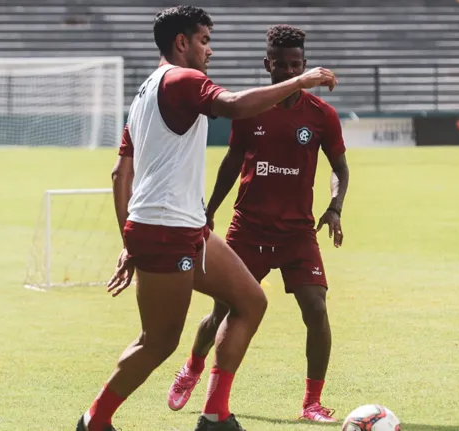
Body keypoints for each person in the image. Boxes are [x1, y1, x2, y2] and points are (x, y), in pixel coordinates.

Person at [76, 6, 338, 431]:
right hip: (166, 228)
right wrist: (300, 80)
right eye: (203, 41)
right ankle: (95, 420)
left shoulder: (145, 90)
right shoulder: (183, 79)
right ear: (181, 42)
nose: (209, 51)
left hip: (181, 225)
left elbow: (119, 172)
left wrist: (129, 238)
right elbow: (233, 105)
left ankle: (216, 415)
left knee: (251, 301)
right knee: (158, 341)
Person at [167, 24, 350, 423]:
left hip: (298, 232)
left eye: (296, 65)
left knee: (316, 310)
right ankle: (191, 370)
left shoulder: (322, 115)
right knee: (223, 311)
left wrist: (335, 206)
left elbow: (339, 167)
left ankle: (311, 403)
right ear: (267, 65)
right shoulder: (250, 110)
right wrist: (210, 208)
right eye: (280, 65)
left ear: (303, 66)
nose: (288, 72)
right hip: (248, 229)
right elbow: (232, 162)